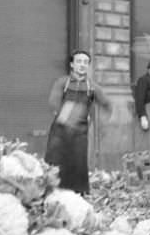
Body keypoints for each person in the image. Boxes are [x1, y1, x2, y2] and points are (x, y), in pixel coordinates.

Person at [45, 50, 112, 194]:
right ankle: (52, 192)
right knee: (55, 161)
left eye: (85, 62)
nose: (82, 65)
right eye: (79, 61)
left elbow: (106, 104)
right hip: (60, 131)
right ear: (72, 64)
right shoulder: (62, 82)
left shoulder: (92, 87)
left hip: (80, 133)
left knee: (78, 164)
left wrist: (100, 124)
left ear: (88, 66)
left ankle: (77, 194)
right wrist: (64, 115)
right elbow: (53, 102)